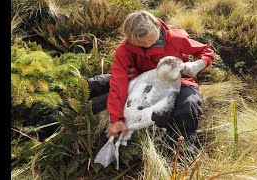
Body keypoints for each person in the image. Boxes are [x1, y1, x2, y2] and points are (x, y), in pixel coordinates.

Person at [87, 10, 215, 142]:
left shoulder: (175, 38)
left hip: (178, 80)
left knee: (188, 104)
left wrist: (198, 64)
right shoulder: (125, 49)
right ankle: (67, 102)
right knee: (97, 82)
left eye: (152, 40)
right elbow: (118, 81)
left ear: (158, 28)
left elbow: (206, 51)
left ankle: (184, 146)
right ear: (131, 39)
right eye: (142, 43)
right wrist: (116, 119)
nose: (148, 45)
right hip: (143, 80)